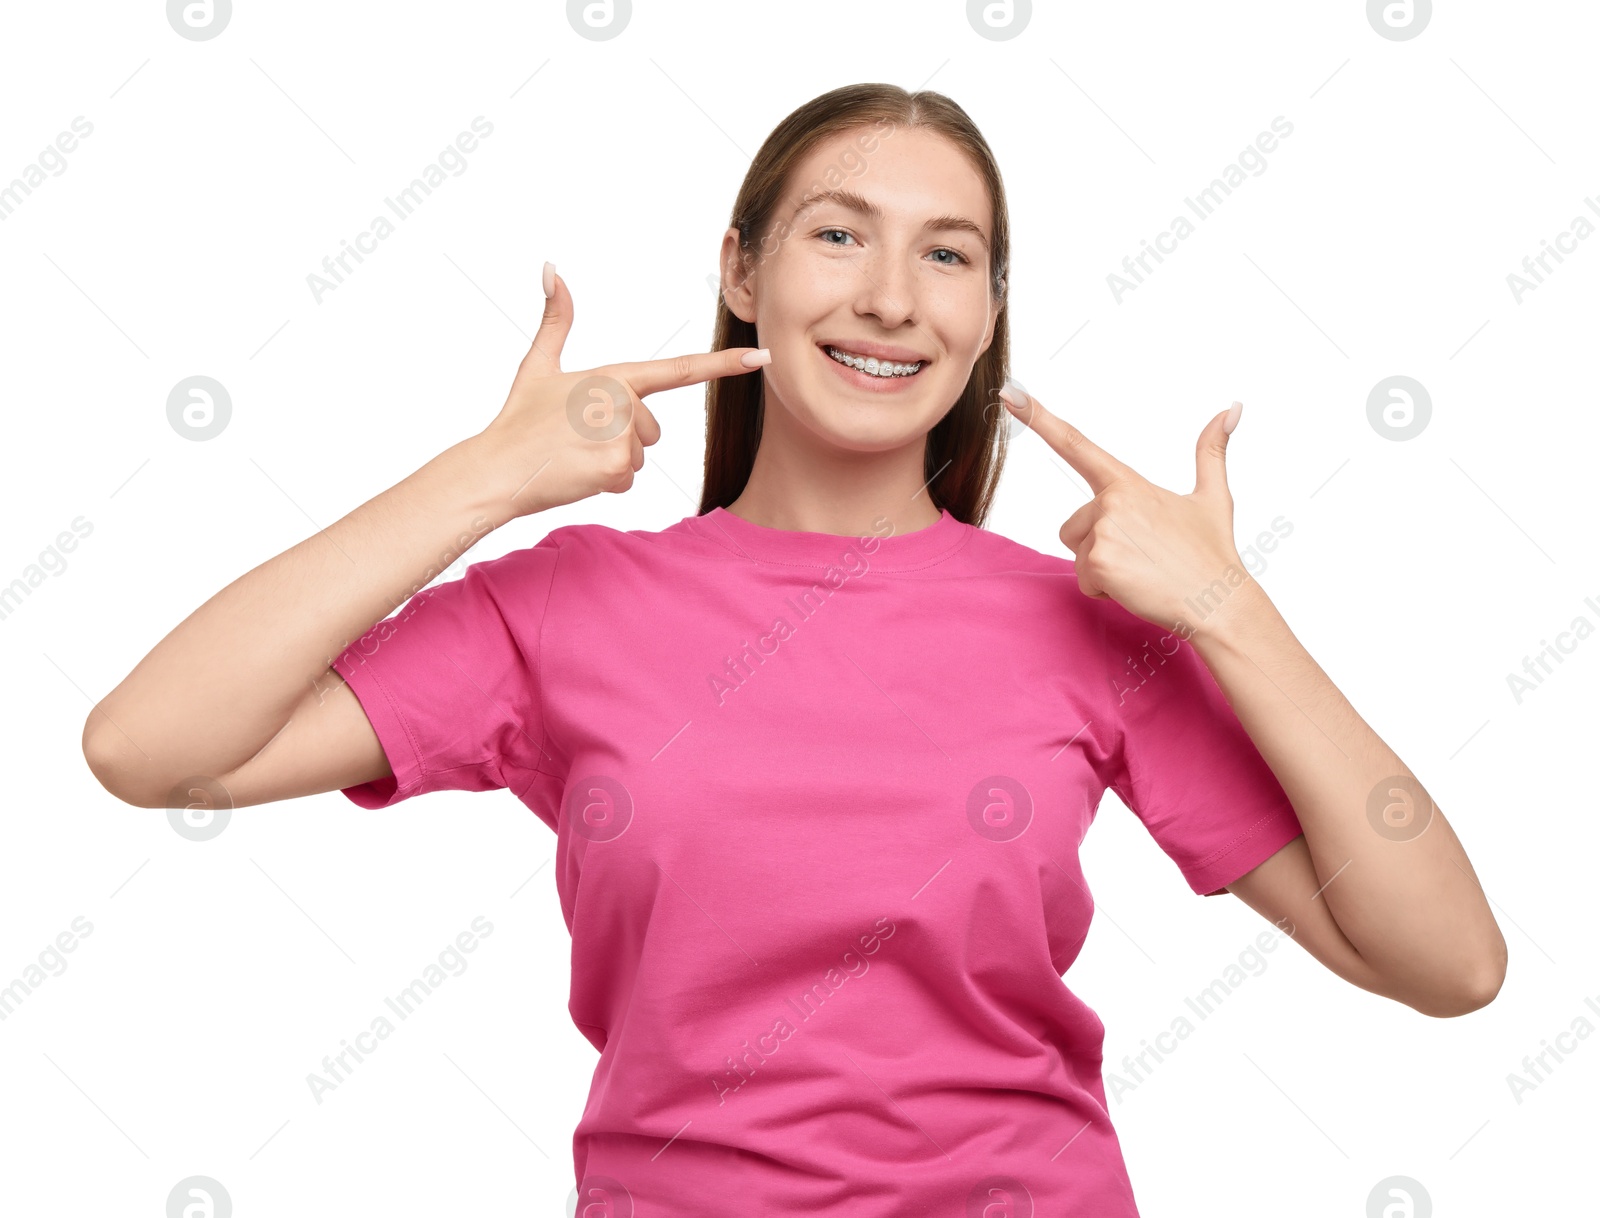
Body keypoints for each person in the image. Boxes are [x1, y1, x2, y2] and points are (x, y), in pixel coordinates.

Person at [82, 83, 1506, 1217]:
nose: (893, 296)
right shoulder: (568, 605)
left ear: (985, 315)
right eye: (840, 233)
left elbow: (1449, 962)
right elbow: (150, 745)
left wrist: (1231, 612)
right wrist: (484, 478)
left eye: (947, 255)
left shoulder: (1083, 623)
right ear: (742, 271)